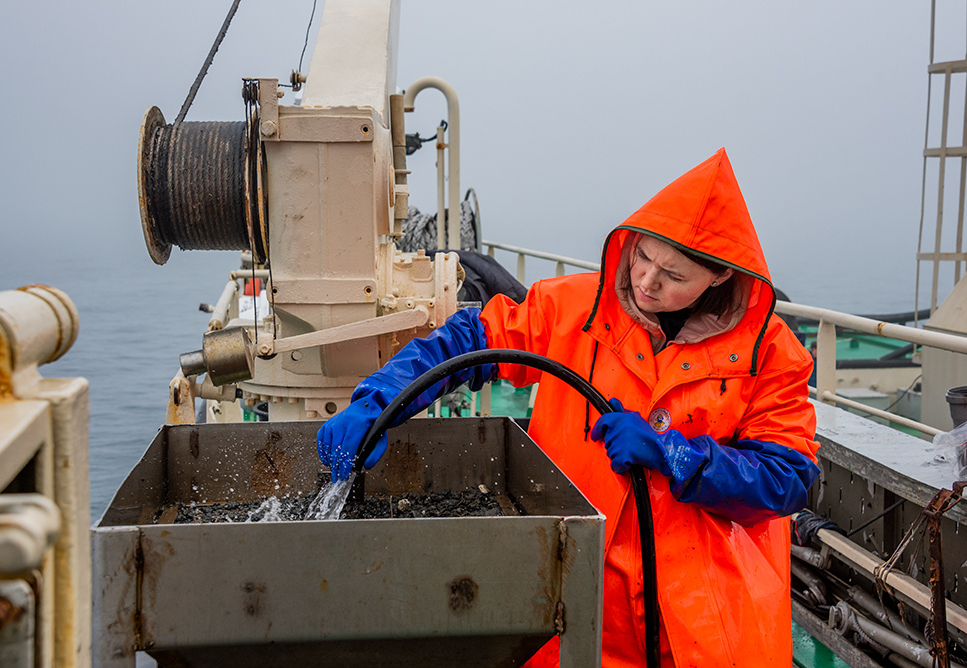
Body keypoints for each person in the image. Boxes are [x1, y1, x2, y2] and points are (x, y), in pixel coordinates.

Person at [317, 148, 820, 667]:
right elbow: (471, 340)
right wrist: (377, 403)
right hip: (576, 601)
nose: (647, 281)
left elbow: (788, 477)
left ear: (718, 277)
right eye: (642, 256)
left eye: (673, 276)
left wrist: (675, 456)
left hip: (704, 630)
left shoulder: (773, 355)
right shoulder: (573, 308)